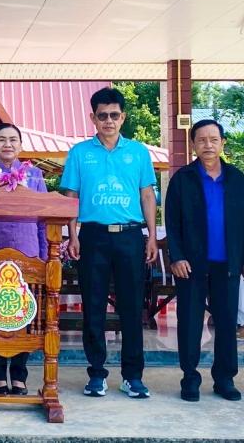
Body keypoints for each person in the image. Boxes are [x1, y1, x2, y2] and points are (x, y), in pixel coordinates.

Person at [62, 86, 158, 399]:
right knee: (93, 307)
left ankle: (133, 376)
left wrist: (151, 236)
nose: (108, 121)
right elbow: (71, 197)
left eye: (114, 115)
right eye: (102, 115)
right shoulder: (80, 153)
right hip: (93, 237)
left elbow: (147, 195)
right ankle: (96, 374)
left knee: (132, 307)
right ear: (93, 118)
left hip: (130, 236)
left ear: (123, 117)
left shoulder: (138, 152)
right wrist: (73, 235)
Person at [165, 119, 244, 402]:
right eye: (201, 140)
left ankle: (224, 379)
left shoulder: (237, 179)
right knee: (189, 322)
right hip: (191, 264)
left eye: (213, 139)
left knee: (227, 322)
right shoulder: (182, 179)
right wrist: (177, 256)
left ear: (223, 143)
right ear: (193, 144)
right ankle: (190, 378)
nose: (208, 145)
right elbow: (172, 222)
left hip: (228, 264)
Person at [0, 122, 48, 395]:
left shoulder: (34, 175)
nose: (7, 144)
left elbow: (44, 219)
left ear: (20, 145)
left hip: (27, 252)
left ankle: (19, 376)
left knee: (24, 312)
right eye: (1, 139)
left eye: (13, 140)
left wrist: (44, 255)